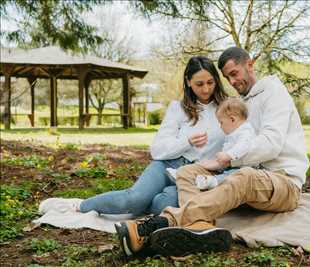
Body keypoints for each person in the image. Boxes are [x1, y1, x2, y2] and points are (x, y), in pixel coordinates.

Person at [116, 47, 309, 257]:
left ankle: (158, 224)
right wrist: (211, 165)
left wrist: (227, 160)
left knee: (245, 176)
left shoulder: (273, 91)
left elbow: (271, 144)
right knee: (189, 172)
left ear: (250, 65)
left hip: (283, 183)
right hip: (249, 183)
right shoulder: (243, 102)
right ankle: (200, 227)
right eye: (228, 78)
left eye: (235, 73)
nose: (233, 82)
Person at [39, 56, 228, 220]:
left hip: (197, 174)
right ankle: (79, 205)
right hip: (168, 165)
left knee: (162, 205)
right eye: (199, 84)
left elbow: (237, 142)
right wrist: (186, 141)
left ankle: (144, 202)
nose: (206, 89)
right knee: (135, 200)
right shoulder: (177, 108)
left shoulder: (227, 108)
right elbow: (157, 150)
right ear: (188, 82)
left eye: (210, 82)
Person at [195, 97, 256, 190]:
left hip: (245, 169)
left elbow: (244, 145)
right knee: (226, 173)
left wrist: (228, 155)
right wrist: (208, 164)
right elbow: (224, 161)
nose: (220, 127)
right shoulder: (233, 134)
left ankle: (213, 181)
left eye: (221, 123)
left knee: (234, 177)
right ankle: (192, 174)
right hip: (231, 167)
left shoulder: (245, 130)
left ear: (232, 119)